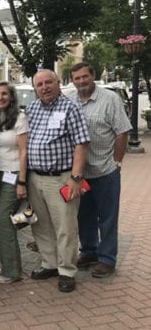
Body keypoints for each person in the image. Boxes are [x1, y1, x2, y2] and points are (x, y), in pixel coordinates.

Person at [26, 69, 90, 293]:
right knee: (41, 224)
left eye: (48, 82)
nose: (44, 87)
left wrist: (75, 178)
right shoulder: (32, 108)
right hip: (35, 177)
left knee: (65, 227)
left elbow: (81, 144)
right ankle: (49, 264)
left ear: (58, 83)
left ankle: (66, 271)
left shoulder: (70, 107)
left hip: (61, 178)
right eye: (40, 84)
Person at [69, 62, 131, 278]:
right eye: (77, 78)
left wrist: (117, 161)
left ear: (93, 75)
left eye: (85, 77)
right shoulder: (70, 101)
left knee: (107, 217)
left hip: (105, 171)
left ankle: (107, 258)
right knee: (83, 215)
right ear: (72, 80)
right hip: (81, 174)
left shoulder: (110, 99)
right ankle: (88, 251)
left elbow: (122, 132)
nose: (81, 81)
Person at [0, 81, 28, 284]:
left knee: (3, 218)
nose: (0, 97)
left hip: (13, 173)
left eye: (4, 94)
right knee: (3, 222)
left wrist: (22, 181)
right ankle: (10, 263)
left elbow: (23, 151)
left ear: (11, 97)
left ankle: (12, 271)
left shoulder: (19, 118)